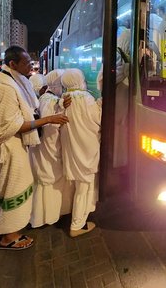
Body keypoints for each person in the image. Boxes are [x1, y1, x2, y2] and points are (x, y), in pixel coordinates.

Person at [0, 46, 69, 250]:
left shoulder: (11, 80)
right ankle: (9, 236)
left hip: (13, 146)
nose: (31, 66)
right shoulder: (4, 87)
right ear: (13, 64)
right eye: (27, 63)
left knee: (4, 188)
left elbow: (25, 108)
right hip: (10, 147)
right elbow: (10, 125)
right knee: (14, 187)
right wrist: (48, 119)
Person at [60, 68, 102, 237]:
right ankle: (77, 225)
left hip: (72, 148)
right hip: (87, 149)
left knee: (80, 185)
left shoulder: (63, 99)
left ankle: (81, 217)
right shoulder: (86, 98)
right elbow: (97, 119)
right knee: (84, 187)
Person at [29, 69, 74, 228]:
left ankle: (44, 216)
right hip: (49, 146)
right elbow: (49, 127)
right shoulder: (49, 100)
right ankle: (47, 217)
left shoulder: (46, 97)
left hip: (42, 147)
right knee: (50, 179)